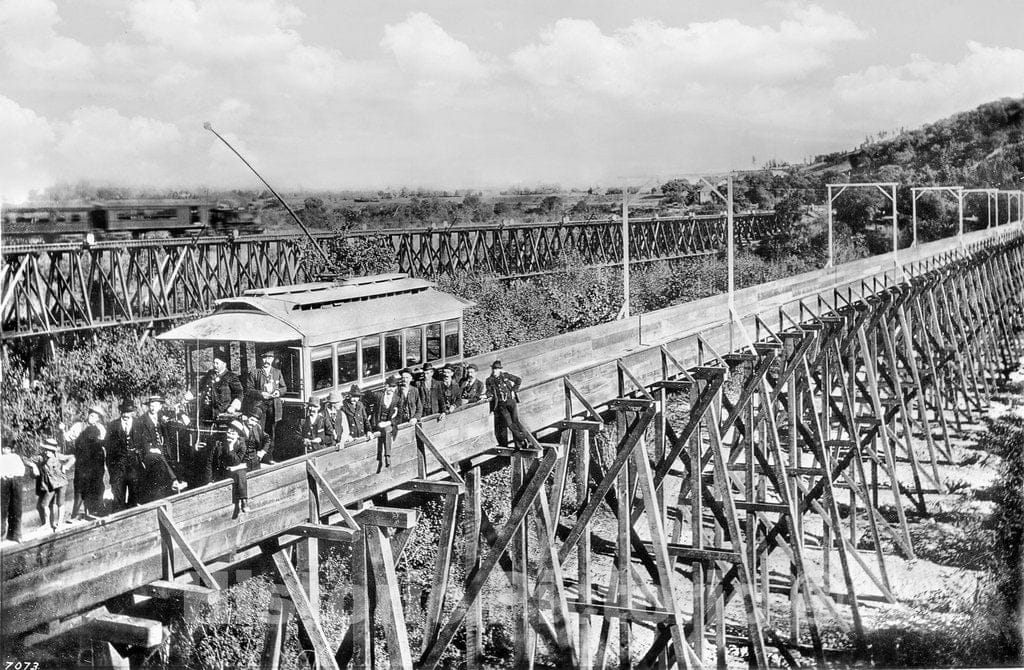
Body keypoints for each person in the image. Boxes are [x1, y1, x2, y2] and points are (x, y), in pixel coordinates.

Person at [71, 405, 108, 520]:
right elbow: (68, 440)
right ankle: (76, 513)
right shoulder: (78, 426)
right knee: (80, 486)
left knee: (96, 485)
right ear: (88, 415)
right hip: (82, 461)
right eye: (91, 415)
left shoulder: (101, 429)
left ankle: (95, 511)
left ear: (98, 418)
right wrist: (62, 432)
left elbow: (104, 446)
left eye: (95, 417)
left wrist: (105, 463)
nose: (92, 418)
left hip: (96, 461)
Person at [485, 360, 528, 449]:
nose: (494, 371)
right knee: (509, 423)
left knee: (515, 421)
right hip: (501, 404)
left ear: (500, 370)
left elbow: (518, 380)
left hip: (511, 401)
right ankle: (522, 437)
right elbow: (489, 391)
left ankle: (519, 445)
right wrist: (486, 396)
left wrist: (513, 390)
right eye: (493, 369)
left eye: (497, 369)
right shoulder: (489, 380)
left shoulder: (505, 376)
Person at [34, 439, 74, 532]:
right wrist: (33, 466)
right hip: (50, 484)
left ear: (54, 451)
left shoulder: (59, 456)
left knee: (60, 503)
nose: (47, 452)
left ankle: (60, 524)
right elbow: (26, 459)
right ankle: (47, 524)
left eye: (49, 450)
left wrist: (66, 466)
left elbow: (72, 457)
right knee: (44, 504)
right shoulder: (41, 457)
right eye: (46, 449)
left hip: (61, 483)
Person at [244, 350, 287, 437]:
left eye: (269, 358)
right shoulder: (254, 373)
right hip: (260, 406)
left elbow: (284, 388)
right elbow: (248, 390)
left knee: (272, 430)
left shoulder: (277, 372)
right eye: (264, 358)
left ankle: (270, 449)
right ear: (261, 359)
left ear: (273, 359)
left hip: (274, 405)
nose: (267, 360)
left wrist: (278, 392)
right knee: (260, 428)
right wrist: (261, 394)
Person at [106, 399, 138, 511]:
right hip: (118, 465)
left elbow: (143, 443)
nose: (126, 415)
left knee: (134, 493)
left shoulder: (138, 424)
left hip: (134, 465)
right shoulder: (112, 426)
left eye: (128, 412)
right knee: (118, 493)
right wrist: (111, 468)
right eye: (124, 412)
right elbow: (108, 448)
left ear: (132, 412)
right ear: (120, 412)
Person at [1, 443, 36, 543]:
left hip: (16, 482)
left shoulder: (16, 457)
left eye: (8, 448)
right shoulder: (1, 458)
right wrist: (4, 475)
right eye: (4, 448)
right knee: (3, 508)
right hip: (3, 482)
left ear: (11, 449)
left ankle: (15, 534)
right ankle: (2, 534)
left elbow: (21, 469)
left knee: (16, 508)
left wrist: (14, 475)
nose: (5, 450)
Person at [215, 420, 251, 514]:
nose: (229, 434)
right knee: (240, 472)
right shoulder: (221, 443)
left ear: (238, 435)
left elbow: (236, 462)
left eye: (233, 432)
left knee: (241, 472)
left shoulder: (242, 445)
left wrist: (231, 448)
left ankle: (244, 500)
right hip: (223, 471)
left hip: (234, 470)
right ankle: (243, 500)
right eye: (229, 431)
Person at [198, 349, 243, 423]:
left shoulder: (231, 376)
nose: (214, 365)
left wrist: (233, 407)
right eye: (214, 363)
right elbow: (199, 385)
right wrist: (188, 394)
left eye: (217, 363)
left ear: (224, 364)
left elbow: (239, 393)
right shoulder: (210, 374)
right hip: (207, 413)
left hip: (222, 414)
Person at [371, 376, 400, 466]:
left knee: (387, 431)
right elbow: (366, 401)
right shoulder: (379, 396)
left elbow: (399, 416)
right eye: (390, 386)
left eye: (393, 387)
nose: (391, 389)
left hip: (389, 423)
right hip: (378, 422)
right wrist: (370, 415)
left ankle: (387, 456)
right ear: (386, 386)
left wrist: (389, 422)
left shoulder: (397, 399)